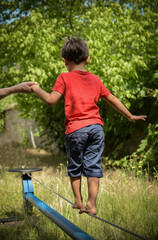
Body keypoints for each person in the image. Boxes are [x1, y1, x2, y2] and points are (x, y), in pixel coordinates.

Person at [31, 38, 147, 215]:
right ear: (88, 59)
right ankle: (92, 204)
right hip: (96, 128)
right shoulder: (95, 79)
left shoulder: (64, 77)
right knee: (93, 166)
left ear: (65, 61)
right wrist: (130, 115)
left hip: (76, 130)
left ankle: (78, 201)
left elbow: (51, 100)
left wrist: (35, 89)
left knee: (75, 166)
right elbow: (112, 99)